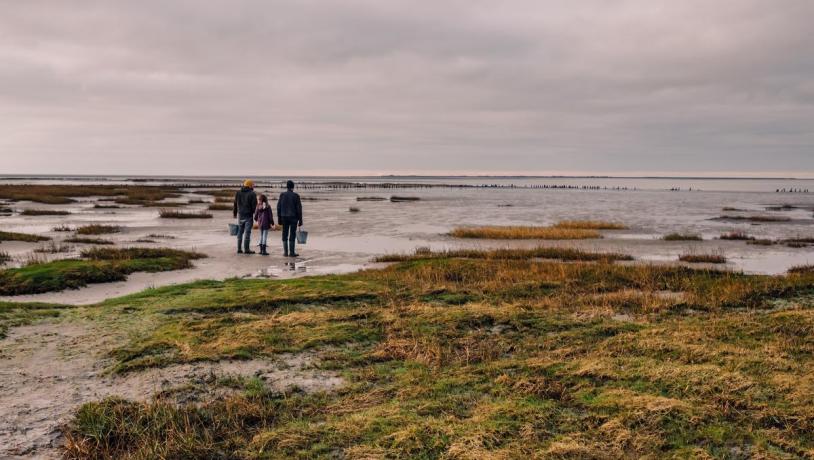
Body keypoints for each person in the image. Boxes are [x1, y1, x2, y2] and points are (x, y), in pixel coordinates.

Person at [277, 180, 303, 257]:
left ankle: (285, 253)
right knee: (292, 234)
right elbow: (299, 209)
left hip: (284, 217)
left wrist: (279, 218)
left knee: (284, 234)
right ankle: (291, 253)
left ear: (287, 187)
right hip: (293, 217)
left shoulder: (282, 195)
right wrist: (300, 219)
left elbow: (278, 207)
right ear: (293, 187)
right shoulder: (296, 196)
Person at [233, 179, 257, 254]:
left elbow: (235, 204)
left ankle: (239, 249)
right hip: (248, 215)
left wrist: (235, 213)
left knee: (240, 232)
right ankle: (246, 249)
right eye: (252, 185)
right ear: (250, 185)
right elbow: (254, 206)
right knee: (247, 232)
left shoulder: (238, 193)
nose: (253, 186)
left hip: (240, 215)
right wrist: (255, 214)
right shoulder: (252, 193)